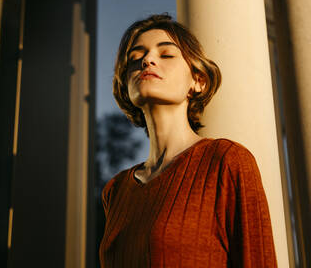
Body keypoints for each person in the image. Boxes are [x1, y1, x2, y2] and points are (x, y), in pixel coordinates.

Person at [99, 14, 277, 267]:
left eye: (166, 55)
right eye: (135, 57)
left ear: (198, 81)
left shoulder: (227, 161)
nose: (147, 60)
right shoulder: (115, 190)